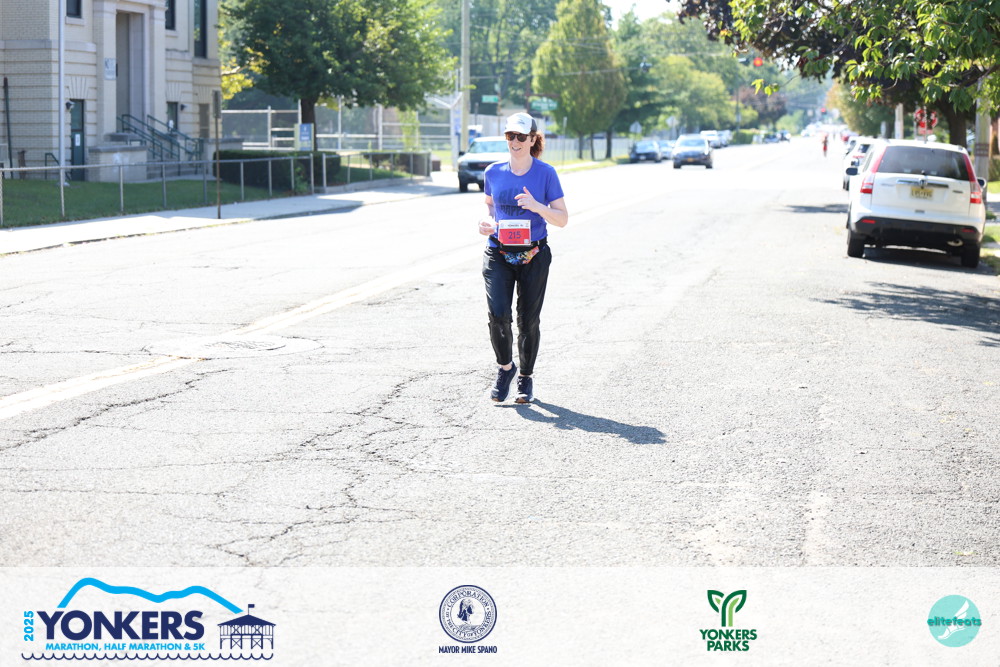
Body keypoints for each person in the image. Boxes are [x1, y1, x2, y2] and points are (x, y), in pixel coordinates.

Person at [478, 112, 569, 404]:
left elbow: (562, 219)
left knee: (528, 321)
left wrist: (537, 206)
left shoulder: (546, 173)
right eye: (510, 136)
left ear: (532, 139)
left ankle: (525, 377)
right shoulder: (493, 172)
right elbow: (489, 207)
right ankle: (505, 368)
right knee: (498, 315)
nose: (514, 142)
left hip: (534, 254)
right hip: (498, 251)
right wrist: (486, 221)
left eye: (520, 136)